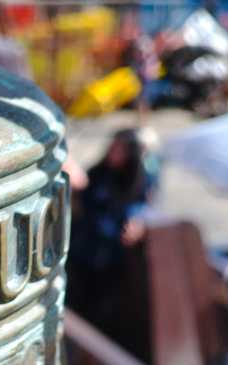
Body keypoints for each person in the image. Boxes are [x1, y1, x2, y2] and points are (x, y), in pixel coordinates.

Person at [66, 128, 159, 346]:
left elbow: (141, 206)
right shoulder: (99, 174)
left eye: (120, 148)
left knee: (104, 308)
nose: (114, 151)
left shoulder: (138, 180)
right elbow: (86, 202)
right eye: (113, 146)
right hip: (85, 249)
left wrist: (138, 221)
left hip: (112, 256)